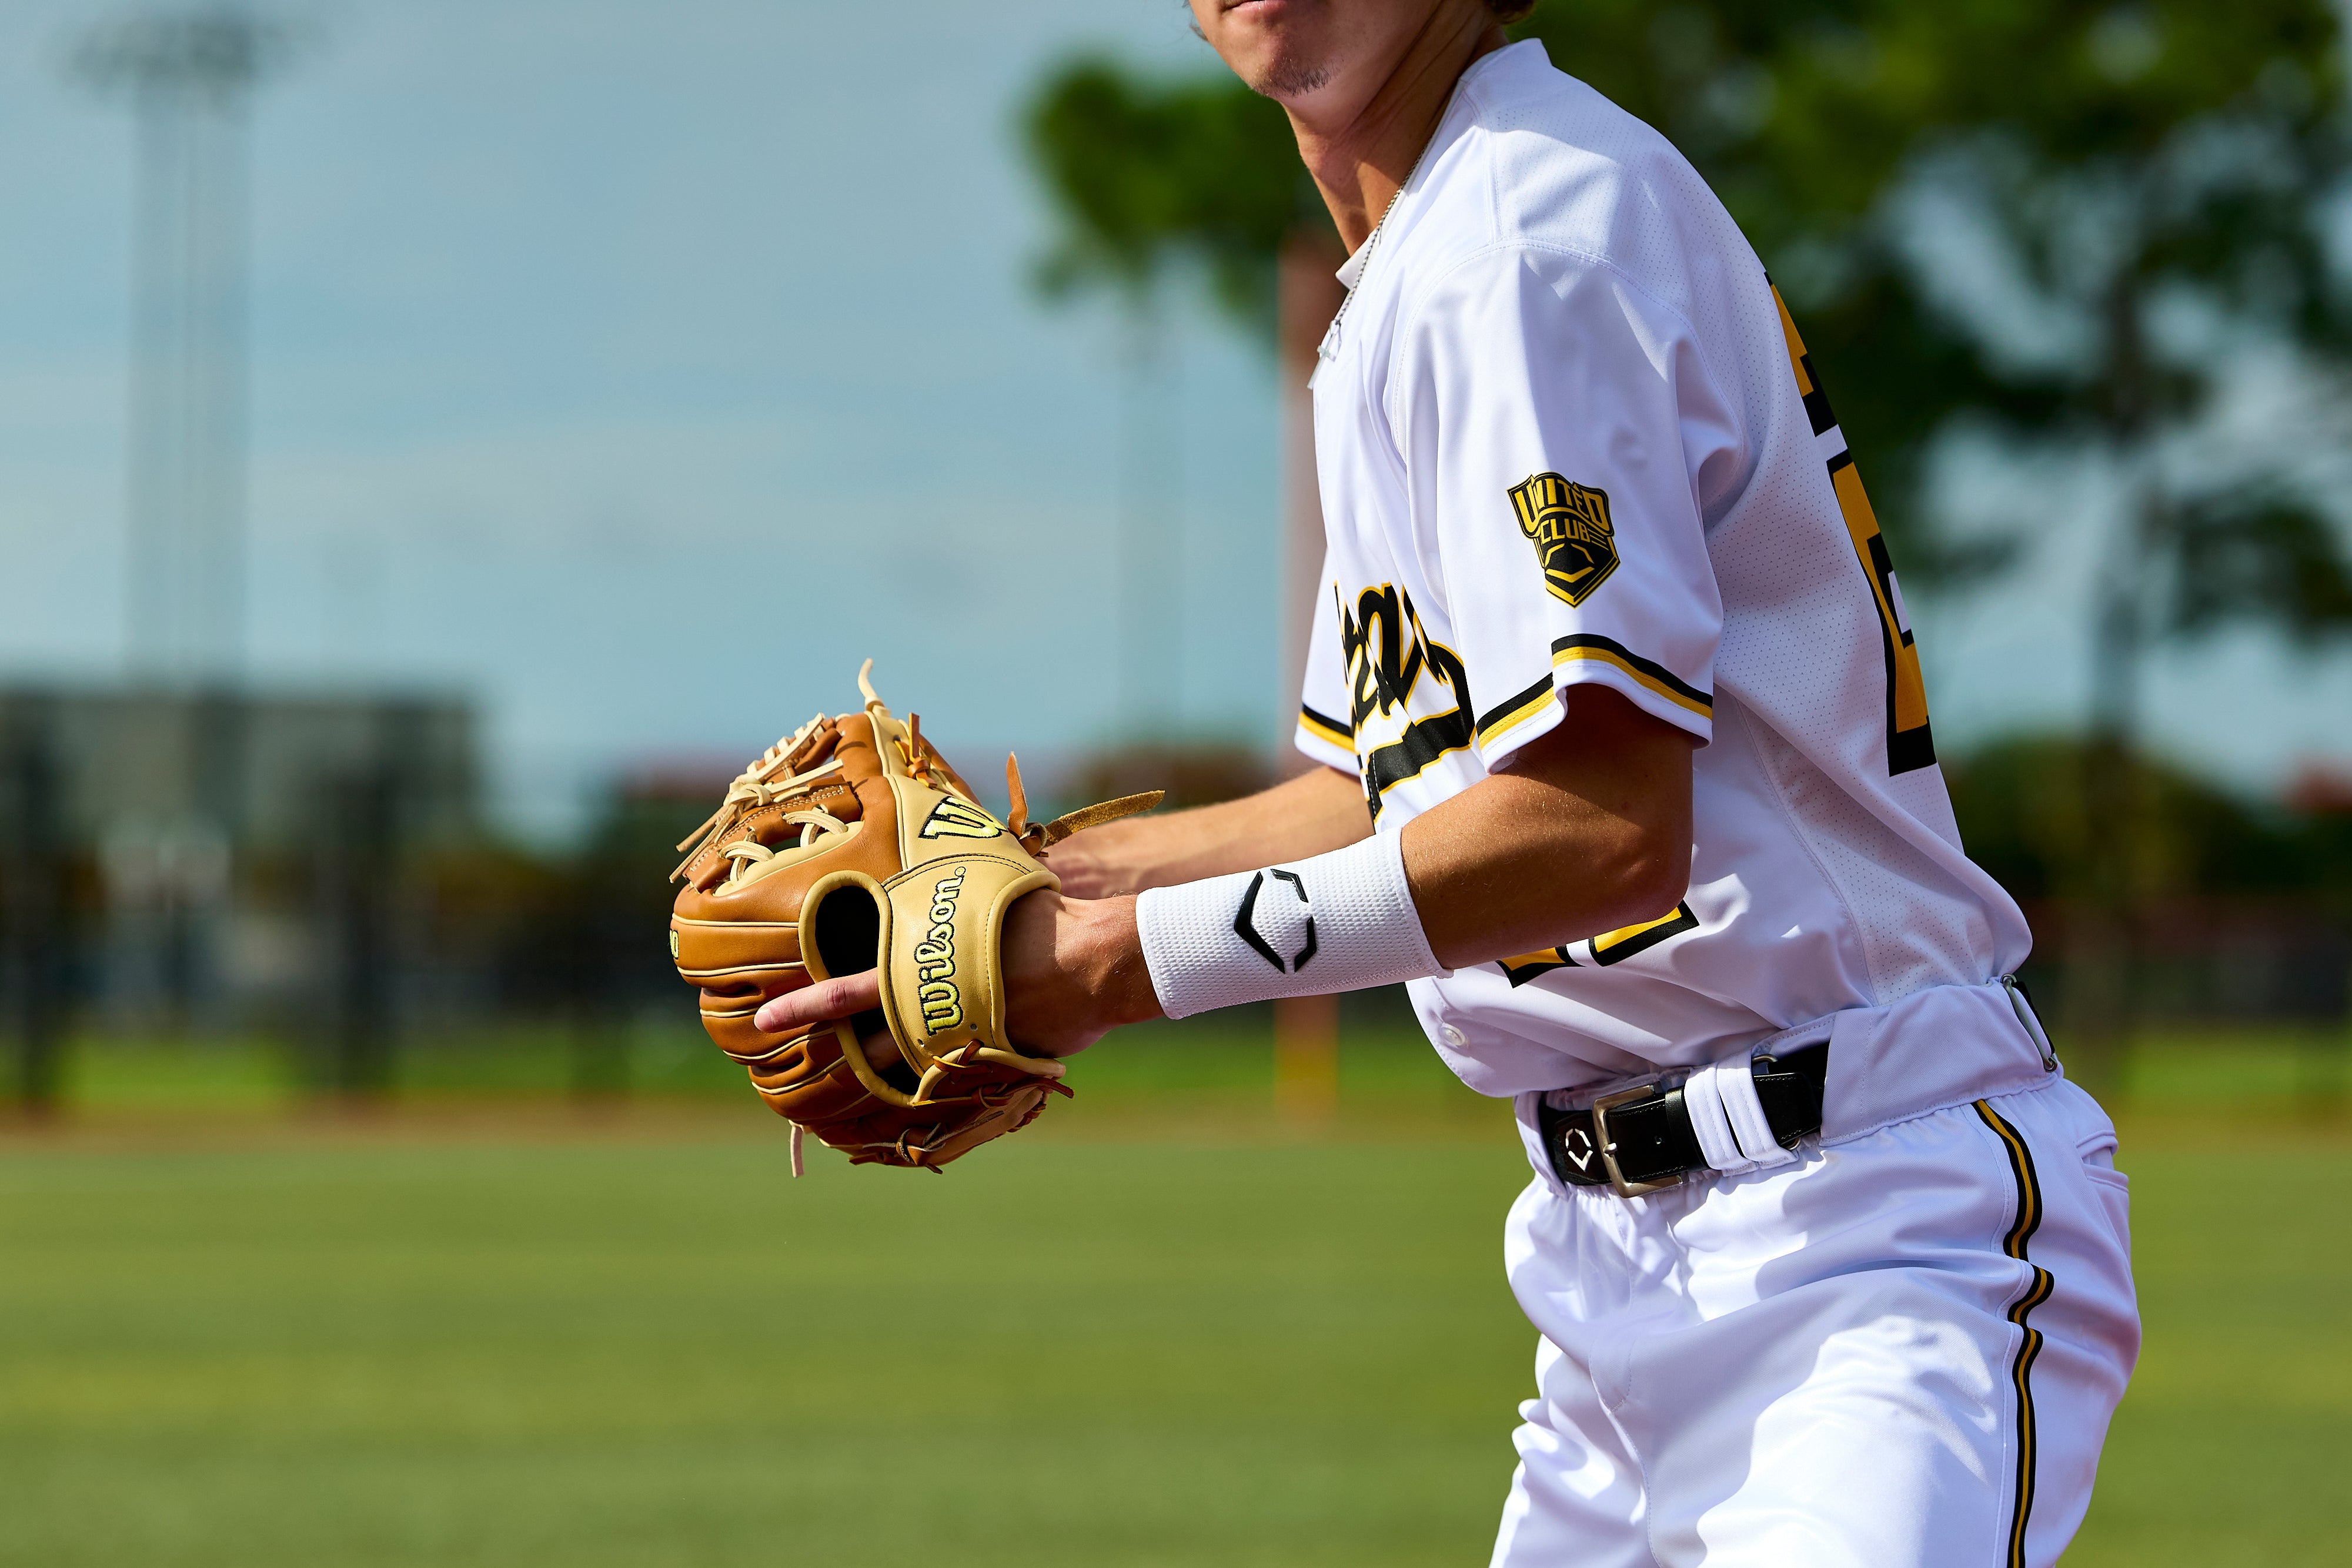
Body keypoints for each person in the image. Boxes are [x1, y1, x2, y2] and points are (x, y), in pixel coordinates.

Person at [760, 1, 2140, 1561]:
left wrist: (1107, 968)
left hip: (1866, 1236)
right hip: (1614, 1279)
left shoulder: (1524, 241)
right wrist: (1054, 878)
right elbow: (1397, 796)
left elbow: (1599, 831)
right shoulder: (1413, 276)